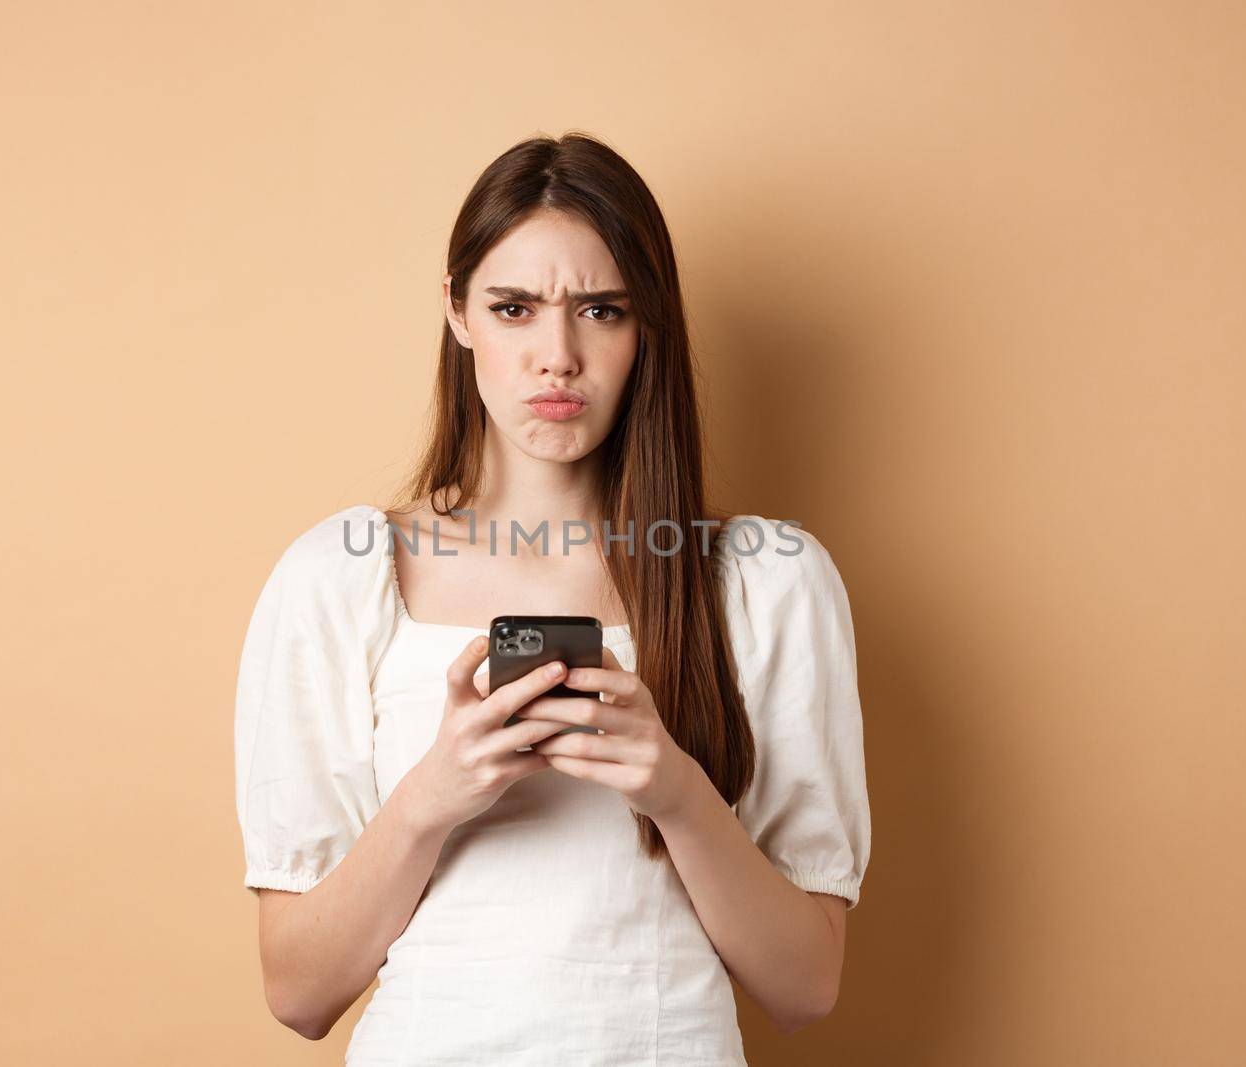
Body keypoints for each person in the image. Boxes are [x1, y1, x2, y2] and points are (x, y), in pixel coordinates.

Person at [233, 132, 872, 1064]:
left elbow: (804, 986)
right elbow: (299, 989)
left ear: (647, 325)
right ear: (458, 315)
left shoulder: (768, 581)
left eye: (602, 310)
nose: (557, 356)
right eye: (515, 307)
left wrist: (677, 792)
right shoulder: (339, 573)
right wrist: (433, 796)